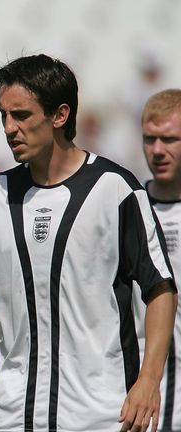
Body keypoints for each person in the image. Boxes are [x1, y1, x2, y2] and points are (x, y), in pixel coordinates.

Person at [0, 53, 177, 432]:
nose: (9, 127)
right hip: (16, 414)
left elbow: (160, 289)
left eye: (21, 115)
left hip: (102, 415)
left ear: (60, 115)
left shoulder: (114, 190)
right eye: (3, 115)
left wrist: (149, 380)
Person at [133, 89, 181, 431]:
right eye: (150, 139)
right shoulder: (127, 208)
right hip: (138, 396)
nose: (158, 150)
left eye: (169, 139)